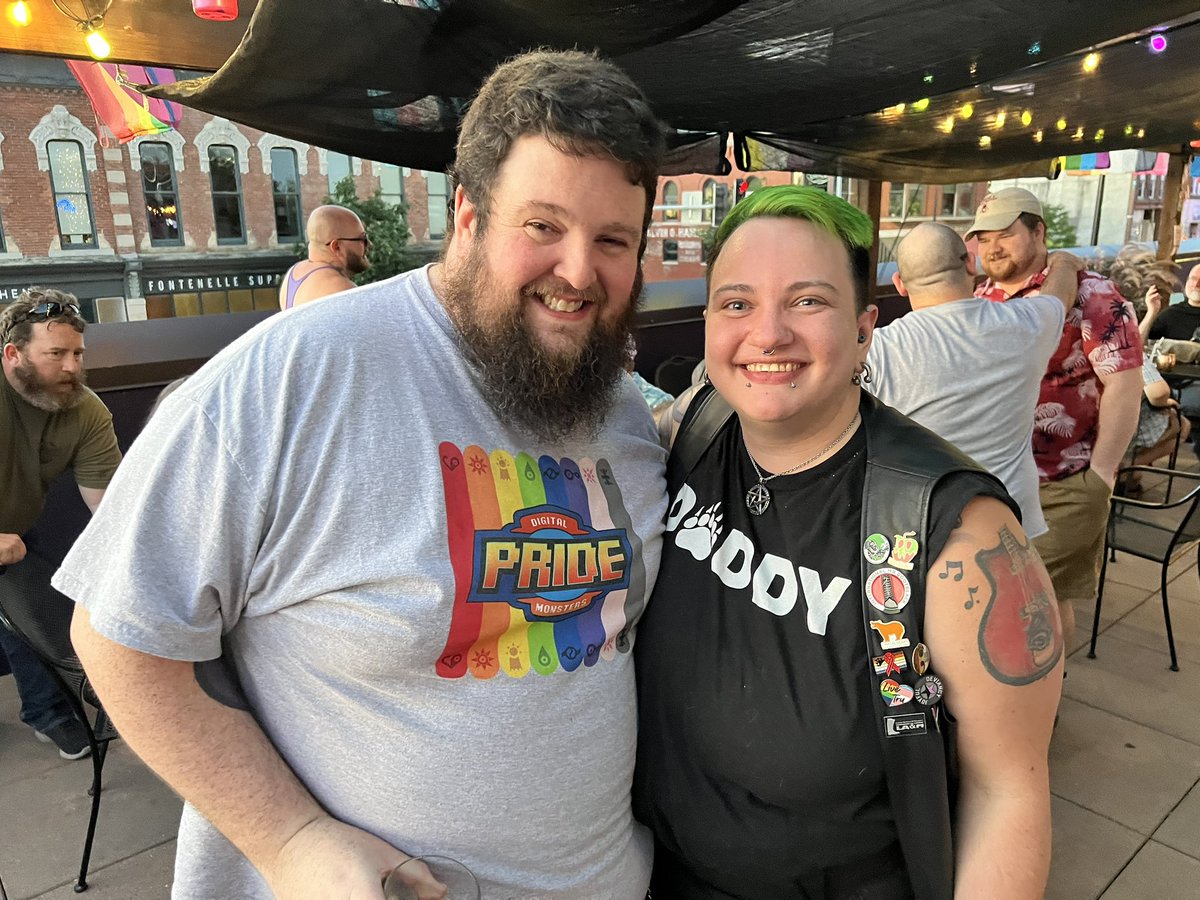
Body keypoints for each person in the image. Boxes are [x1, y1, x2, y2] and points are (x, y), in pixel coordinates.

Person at [57, 49, 667, 900]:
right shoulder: (292, 376)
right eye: (543, 226)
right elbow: (119, 632)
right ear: (467, 215)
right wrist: (291, 837)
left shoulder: (620, 408)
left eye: (613, 241)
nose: (578, 271)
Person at [635, 186, 1063, 899]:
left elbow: (1008, 793)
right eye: (737, 303)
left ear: (867, 329)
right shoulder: (697, 426)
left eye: (807, 301)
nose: (767, 334)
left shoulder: (959, 535)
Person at [969, 187, 1142, 646]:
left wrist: (1102, 475)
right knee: (1010, 600)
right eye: (983, 240)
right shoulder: (984, 295)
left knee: (1036, 600)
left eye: (1004, 235)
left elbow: (1124, 384)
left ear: (1038, 231)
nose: (992, 249)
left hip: (1064, 481)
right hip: (994, 479)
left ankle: (1041, 705)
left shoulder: (1095, 294)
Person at [866, 221, 1081, 538]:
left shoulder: (878, 350)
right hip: (1010, 521)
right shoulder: (1026, 324)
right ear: (970, 263)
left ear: (899, 283)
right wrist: (1064, 261)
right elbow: (1059, 296)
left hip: (920, 528)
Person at [0, 288, 121, 759]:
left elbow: (110, 511)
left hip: (15, 533)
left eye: (77, 353)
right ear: (13, 354)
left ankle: (47, 713)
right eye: (56, 354)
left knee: (30, 622)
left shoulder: (85, 410)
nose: (72, 367)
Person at [277, 205, 371, 310]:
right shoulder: (343, 291)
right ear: (336, 247)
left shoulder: (294, 274)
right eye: (362, 239)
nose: (369, 245)